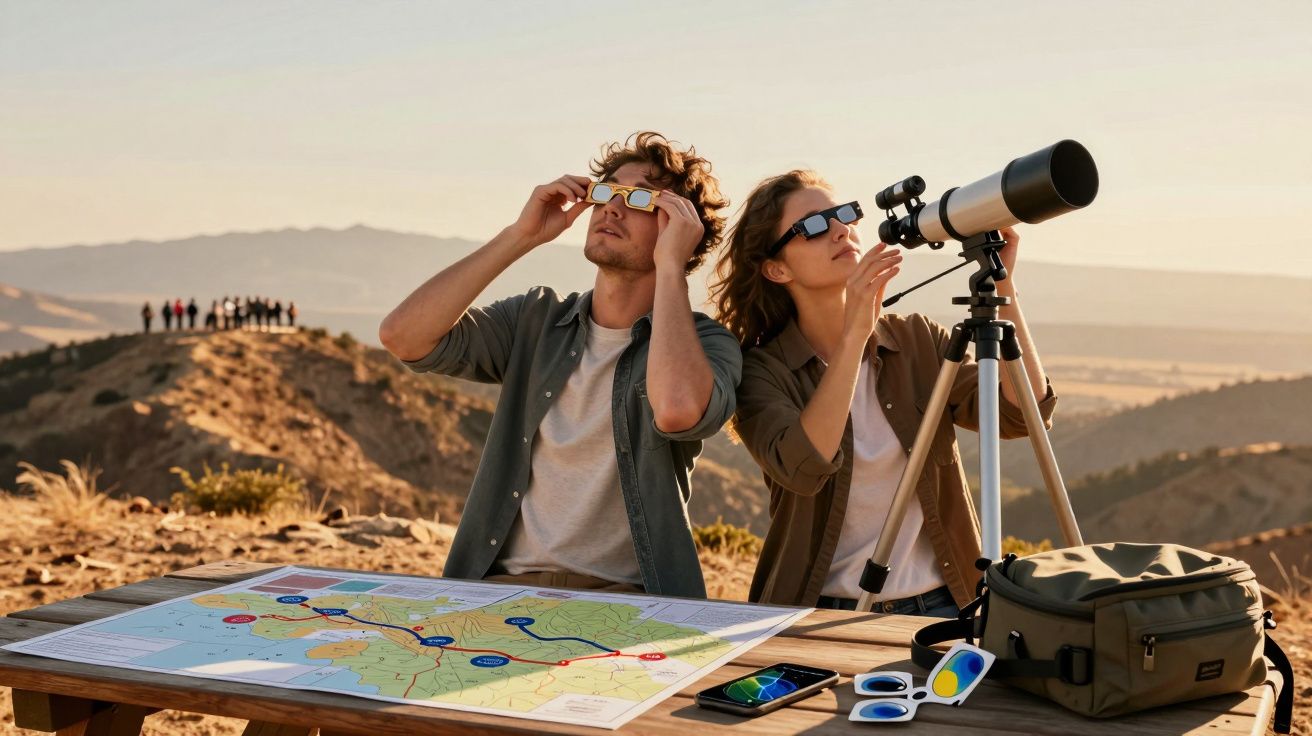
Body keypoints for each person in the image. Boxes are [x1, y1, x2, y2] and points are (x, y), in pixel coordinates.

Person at [380, 132, 740, 597]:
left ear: (682, 229)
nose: (612, 207)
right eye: (607, 192)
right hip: (499, 590)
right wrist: (521, 236)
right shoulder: (535, 319)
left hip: (632, 601)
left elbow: (676, 410)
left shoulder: (708, 344)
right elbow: (403, 336)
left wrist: (671, 267)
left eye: (642, 199)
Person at [709, 170, 1057, 615]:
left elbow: (1020, 415)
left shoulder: (916, 339)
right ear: (777, 269)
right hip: (819, 610)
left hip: (947, 604)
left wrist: (1003, 285)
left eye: (843, 215)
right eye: (813, 226)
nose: (839, 229)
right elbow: (804, 466)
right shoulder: (762, 371)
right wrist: (854, 334)